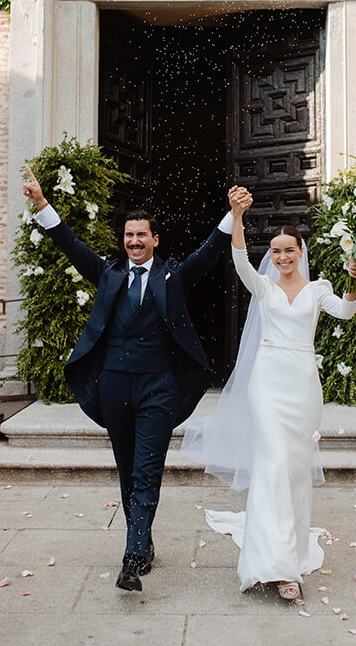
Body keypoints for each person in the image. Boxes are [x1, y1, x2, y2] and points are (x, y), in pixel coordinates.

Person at [21, 166, 240, 592]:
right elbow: (71, 244)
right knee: (127, 472)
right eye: (129, 236)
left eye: (142, 235)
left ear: (155, 240)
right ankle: (144, 540)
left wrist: (233, 213)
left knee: (146, 471)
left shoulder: (174, 276)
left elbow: (211, 250)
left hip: (158, 387)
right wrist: (42, 205)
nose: (134, 241)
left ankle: (132, 558)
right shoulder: (109, 274)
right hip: (115, 387)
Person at [181, 192, 356, 602]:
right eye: (277, 251)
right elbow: (240, 258)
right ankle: (277, 568)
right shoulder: (263, 287)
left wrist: (354, 279)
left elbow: (346, 312)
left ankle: (292, 550)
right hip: (266, 384)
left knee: (295, 470)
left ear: (301, 252)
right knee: (274, 464)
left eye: (289, 251)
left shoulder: (320, 289)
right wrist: (237, 215)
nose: (283, 257)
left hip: (303, 385)